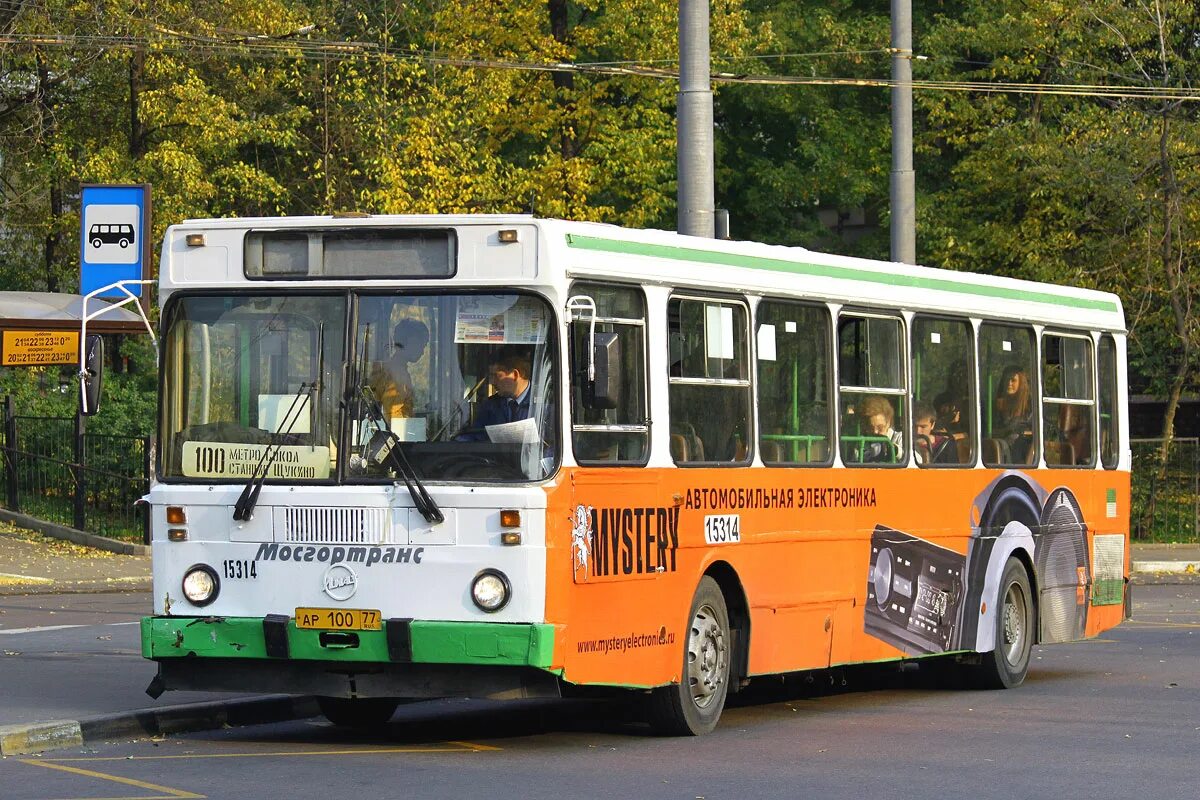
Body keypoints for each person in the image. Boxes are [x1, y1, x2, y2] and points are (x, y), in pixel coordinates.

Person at [456, 347, 535, 442]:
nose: (492, 382)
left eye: (495, 376)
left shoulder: (545, 405)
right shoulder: (490, 406)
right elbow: (473, 438)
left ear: (514, 375)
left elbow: (552, 446)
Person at [367, 319, 429, 421]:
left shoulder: (392, 368)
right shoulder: (397, 374)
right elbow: (393, 416)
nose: (422, 352)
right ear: (412, 341)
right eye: (422, 345)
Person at [992, 365, 1033, 462]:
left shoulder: (1030, 407)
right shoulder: (998, 405)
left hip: (1021, 450)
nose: (1009, 383)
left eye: (1013, 380)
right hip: (1000, 448)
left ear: (1021, 383)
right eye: (1006, 380)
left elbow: (1037, 432)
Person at [857, 395, 903, 463]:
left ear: (889, 423)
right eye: (871, 427)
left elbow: (917, 459)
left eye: (880, 427)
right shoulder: (863, 442)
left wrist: (895, 450)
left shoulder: (899, 437)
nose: (875, 431)